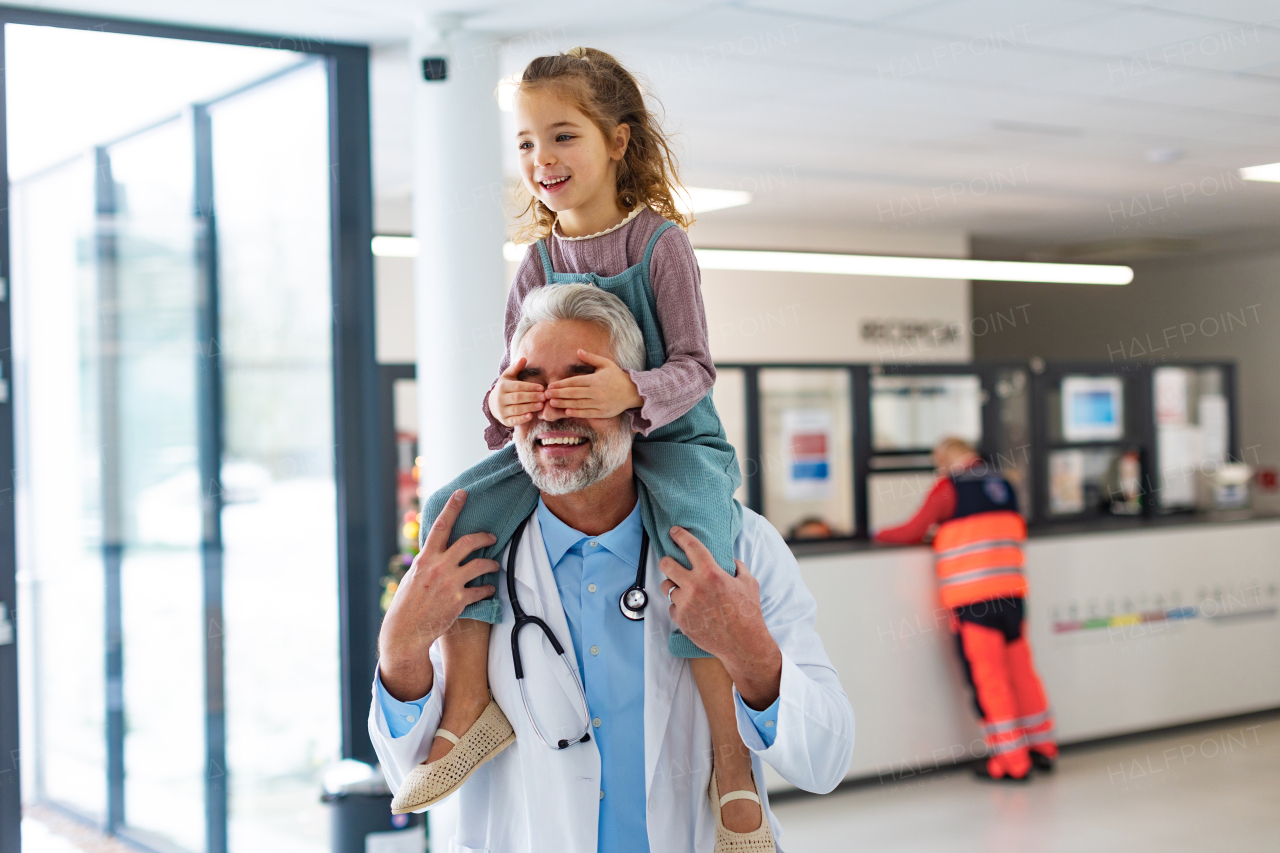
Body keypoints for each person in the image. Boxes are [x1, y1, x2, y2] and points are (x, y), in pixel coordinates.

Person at [397, 47, 771, 842]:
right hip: (560, 444)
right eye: (527, 143)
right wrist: (503, 398)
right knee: (450, 510)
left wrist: (629, 392)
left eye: (562, 137)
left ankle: (731, 761)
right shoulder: (534, 262)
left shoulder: (657, 245)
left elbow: (697, 368)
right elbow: (507, 401)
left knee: (694, 551)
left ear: (619, 142)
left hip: (671, 440)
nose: (542, 160)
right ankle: (468, 706)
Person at [371, 285, 854, 852]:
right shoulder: (467, 556)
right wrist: (400, 651)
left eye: (582, 383)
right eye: (531, 384)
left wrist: (750, 654)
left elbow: (825, 760)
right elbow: (409, 771)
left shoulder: (739, 547)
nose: (552, 406)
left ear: (636, 399)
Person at [875, 437, 1057, 781]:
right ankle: (1043, 748)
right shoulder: (1005, 483)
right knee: (1023, 673)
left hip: (974, 601)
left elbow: (913, 530)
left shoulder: (948, 487)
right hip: (1013, 596)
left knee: (990, 680)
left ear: (945, 459)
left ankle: (1013, 763)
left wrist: (873, 532)